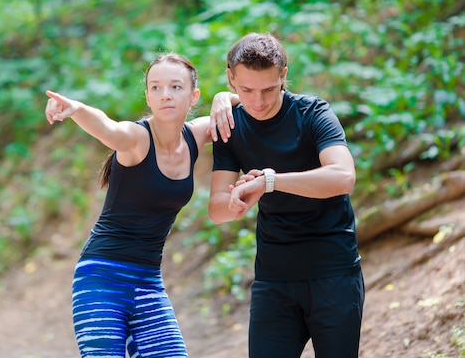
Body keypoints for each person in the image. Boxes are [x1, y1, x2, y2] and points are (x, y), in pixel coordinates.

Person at [45, 52, 238, 358]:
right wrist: (76, 108)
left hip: (147, 282)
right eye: (156, 88)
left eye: (176, 87)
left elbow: (248, 101)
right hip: (101, 278)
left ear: (193, 96)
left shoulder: (195, 135)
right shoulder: (137, 139)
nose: (166, 95)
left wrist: (223, 98)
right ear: (148, 97)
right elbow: (108, 128)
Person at [208, 32, 364, 358]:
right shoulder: (230, 126)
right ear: (230, 79)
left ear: (284, 75)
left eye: (269, 88)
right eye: (246, 90)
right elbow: (217, 210)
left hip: (333, 272)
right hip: (273, 279)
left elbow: (343, 177)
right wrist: (236, 199)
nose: (259, 101)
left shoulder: (312, 113)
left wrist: (270, 182)